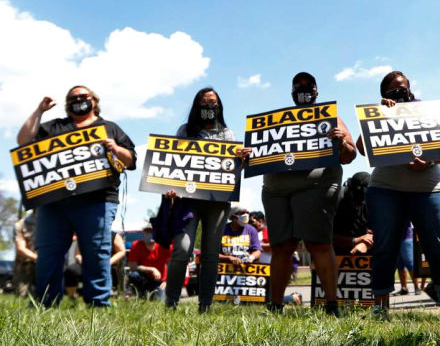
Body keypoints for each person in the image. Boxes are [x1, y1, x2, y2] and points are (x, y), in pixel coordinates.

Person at [17, 86, 136, 307]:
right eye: (73, 98)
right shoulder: (54, 127)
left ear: (94, 100)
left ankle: (99, 304)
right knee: (48, 255)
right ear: (67, 103)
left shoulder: (109, 128)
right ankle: (45, 303)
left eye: (84, 97)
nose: (79, 100)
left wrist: (115, 148)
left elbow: (130, 161)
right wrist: (39, 111)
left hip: (97, 203)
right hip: (54, 204)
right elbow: (23, 142)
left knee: (97, 254)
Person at [359, 71, 440, 319]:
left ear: (410, 87)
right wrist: (381, 116)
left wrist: (428, 161)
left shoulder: (429, 110)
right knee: (385, 248)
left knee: (439, 247)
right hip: (386, 188)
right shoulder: (381, 111)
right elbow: (364, 150)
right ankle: (380, 307)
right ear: (384, 94)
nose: (400, 91)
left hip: (429, 188)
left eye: (403, 87)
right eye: (394, 89)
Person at [262, 72, 357, 315]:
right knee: (282, 246)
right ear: (292, 92)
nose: (302, 90)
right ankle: (275, 306)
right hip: (276, 190)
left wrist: (341, 142)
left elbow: (349, 155)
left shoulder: (330, 116)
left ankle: (332, 306)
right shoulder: (276, 120)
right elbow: (263, 151)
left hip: (316, 187)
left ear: (316, 91)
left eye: (308, 86)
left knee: (319, 244)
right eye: (298, 86)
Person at [164, 87, 250, 313]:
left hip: (218, 202)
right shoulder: (185, 131)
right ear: (196, 106)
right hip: (188, 201)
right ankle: (171, 302)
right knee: (182, 250)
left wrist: (241, 158)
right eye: (204, 103)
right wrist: (170, 187)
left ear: (219, 107)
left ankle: (205, 305)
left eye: (213, 103)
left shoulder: (227, 134)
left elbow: (232, 169)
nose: (209, 107)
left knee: (211, 254)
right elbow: (174, 162)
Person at [332, 172, 373, 255]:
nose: (356, 204)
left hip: (363, 249)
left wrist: (364, 243)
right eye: (354, 198)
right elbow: (322, 237)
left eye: (361, 200)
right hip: (334, 251)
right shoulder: (334, 200)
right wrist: (355, 240)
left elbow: (381, 232)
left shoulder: (372, 202)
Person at [127, 225, 171, 299]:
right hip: (144, 279)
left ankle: (153, 295)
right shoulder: (136, 245)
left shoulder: (164, 246)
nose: (149, 234)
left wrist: (167, 281)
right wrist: (152, 269)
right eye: (147, 232)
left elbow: (172, 265)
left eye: (151, 232)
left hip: (160, 281)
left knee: (159, 300)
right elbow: (132, 266)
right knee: (133, 275)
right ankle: (140, 295)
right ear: (143, 234)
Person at [13, 211, 38, 297]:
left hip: (46, 267)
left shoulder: (54, 222)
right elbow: (21, 248)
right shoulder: (21, 224)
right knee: (22, 297)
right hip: (24, 267)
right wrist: (39, 258)